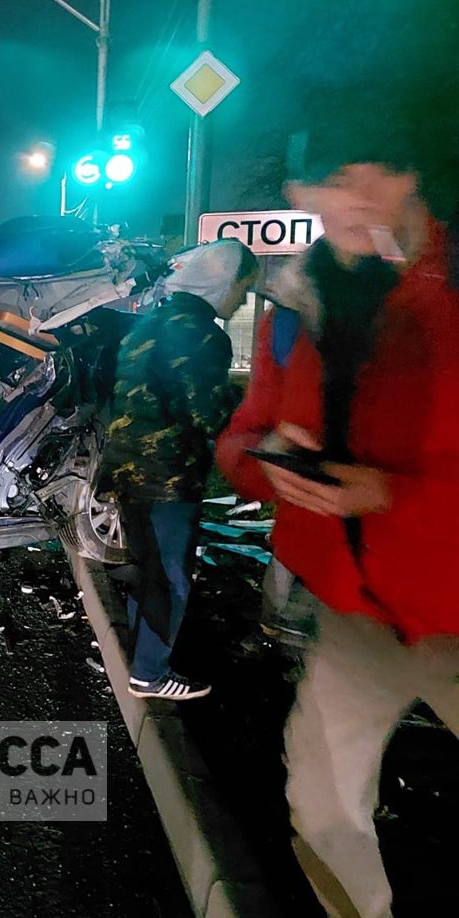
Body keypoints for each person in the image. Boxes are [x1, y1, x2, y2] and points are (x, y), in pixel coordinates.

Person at [217, 157, 459, 918]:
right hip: (353, 614)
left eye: (378, 174)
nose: (356, 199)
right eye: (333, 180)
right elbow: (243, 434)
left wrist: (391, 495)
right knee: (321, 804)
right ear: (301, 195)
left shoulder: (447, 290)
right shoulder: (293, 307)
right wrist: (266, 466)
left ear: (414, 176)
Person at [97, 239, 259, 700]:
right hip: (167, 476)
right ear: (221, 283)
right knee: (169, 576)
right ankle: (150, 674)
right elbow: (207, 413)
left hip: (127, 469)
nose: (242, 300)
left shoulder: (149, 323)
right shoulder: (203, 334)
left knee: (146, 568)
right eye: (241, 289)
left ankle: (142, 662)